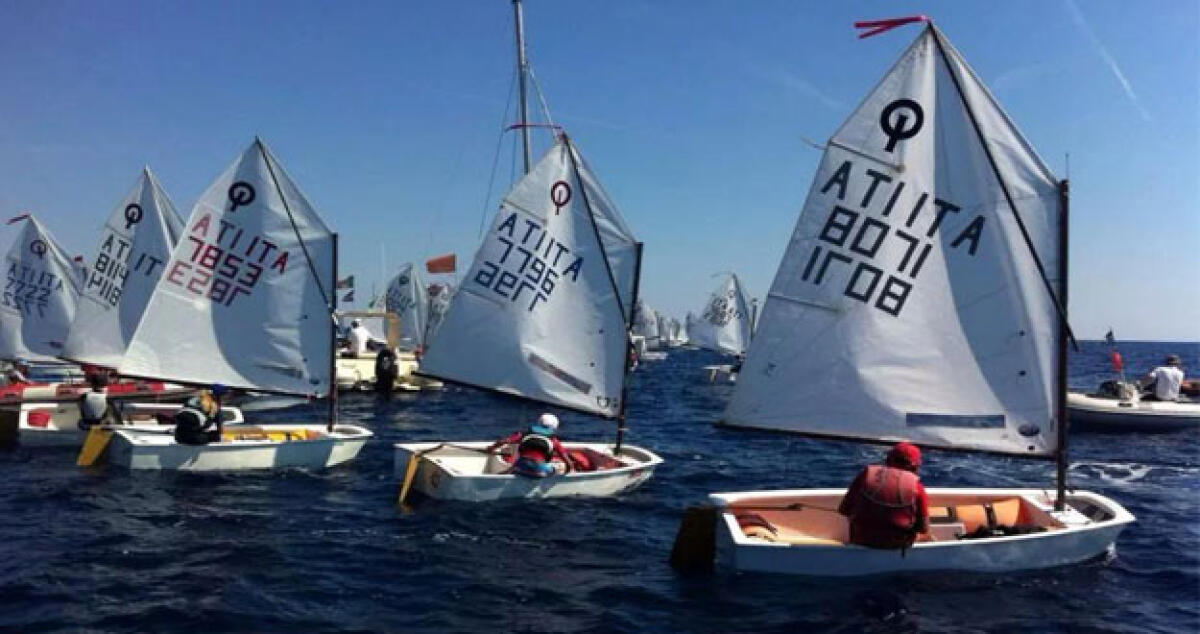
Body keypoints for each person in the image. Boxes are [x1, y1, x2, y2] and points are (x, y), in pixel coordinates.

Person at [837, 442, 931, 550]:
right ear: (915, 466)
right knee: (928, 537)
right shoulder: (917, 487)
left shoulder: (865, 475)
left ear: (888, 460)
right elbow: (923, 528)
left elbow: (843, 510)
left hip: (861, 541)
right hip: (895, 546)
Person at [487, 413, 570, 478]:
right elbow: (568, 463)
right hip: (539, 472)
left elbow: (503, 441)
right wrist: (568, 472)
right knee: (560, 466)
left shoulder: (524, 434)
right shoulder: (554, 441)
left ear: (538, 423)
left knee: (513, 468)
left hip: (520, 467)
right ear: (554, 427)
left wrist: (491, 448)